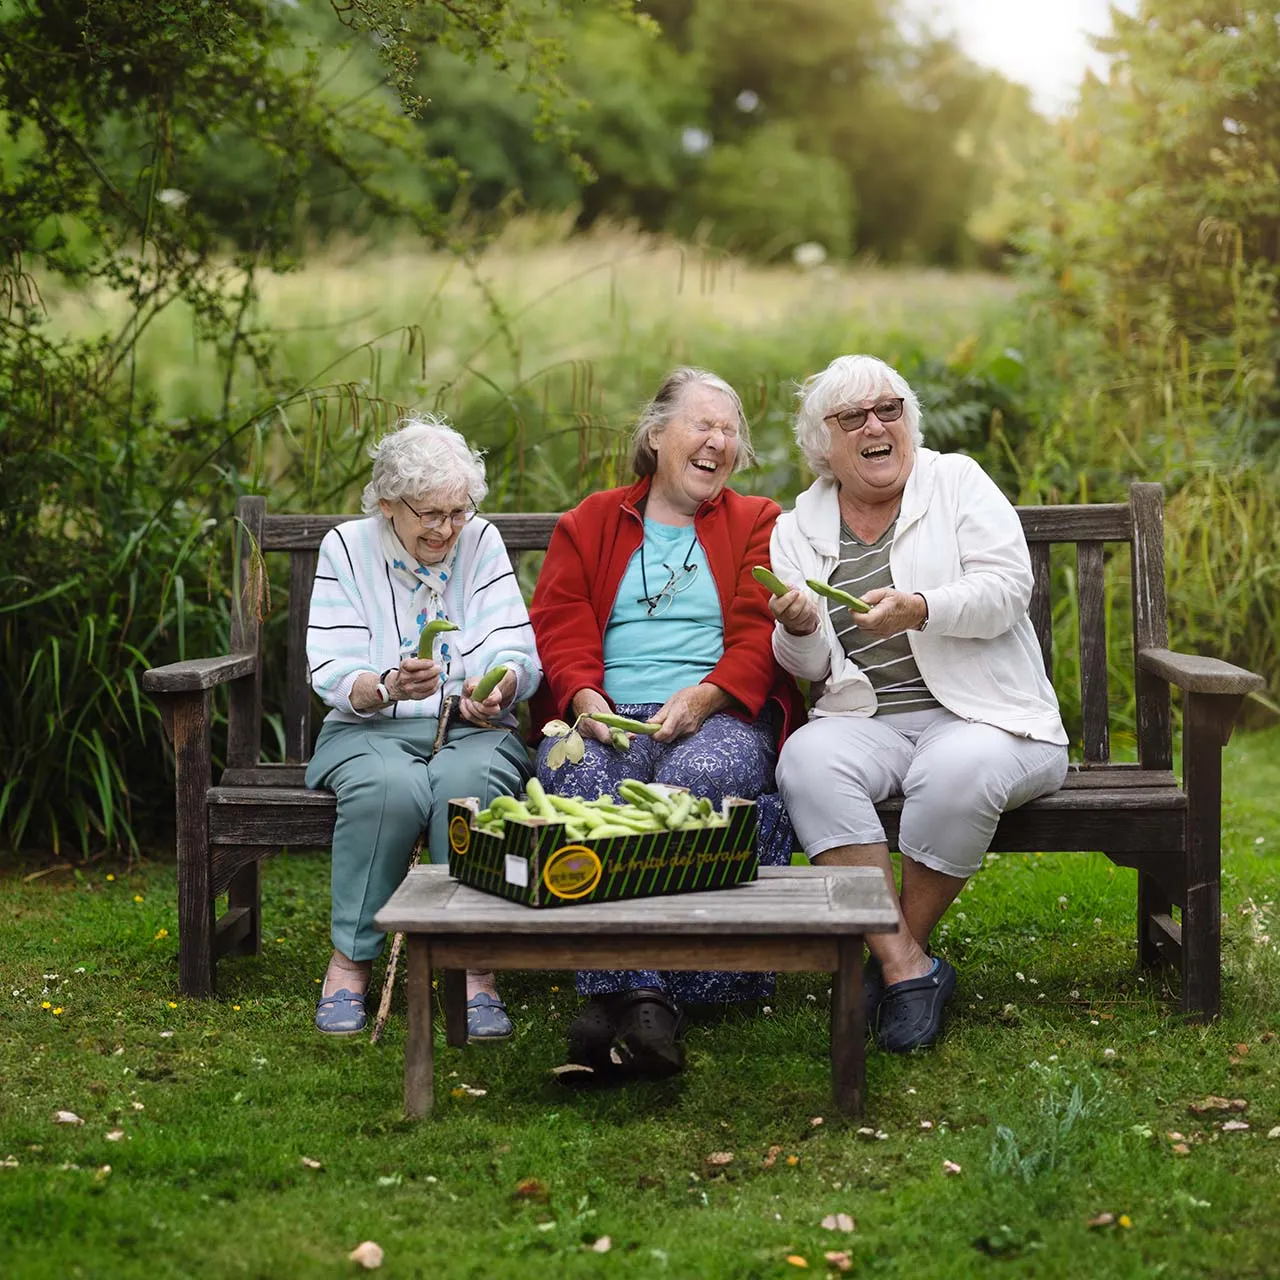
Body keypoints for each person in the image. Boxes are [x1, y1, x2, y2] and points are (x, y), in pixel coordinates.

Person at [769, 354, 1069, 1053]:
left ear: (909, 420)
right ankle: (909, 966)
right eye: (853, 417)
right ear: (824, 444)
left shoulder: (956, 481)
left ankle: (890, 960)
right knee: (806, 762)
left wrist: (922, 607)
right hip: (866, 720)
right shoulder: (796, 529)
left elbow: (1007, 589)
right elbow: (808, 668)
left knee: (957, 769)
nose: (876, 426)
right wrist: (800, 629)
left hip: (988, 717)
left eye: (889, 409)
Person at [528, 366, 805, 1081]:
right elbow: (558, 621)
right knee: (578, 783)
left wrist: (708, 695)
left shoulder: (757, 522)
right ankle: (649, 1000)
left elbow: (759, 633)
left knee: (690, 783)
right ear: (655, 437)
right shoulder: (589, 522)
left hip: (720, 714)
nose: (719, 441)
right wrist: (584, 699)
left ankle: (615, 998)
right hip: (606, 715)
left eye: (729, 430)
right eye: (702, 424)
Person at [304, 415, 540, 1038]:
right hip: (369, 730)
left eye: (457, 511)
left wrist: (498, 688)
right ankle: (351, 962)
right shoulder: (346, 547)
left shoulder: (480, 540)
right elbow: (332, 669)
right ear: (388, 504)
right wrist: (387, 685)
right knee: (389, 789)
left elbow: (513, 647)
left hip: (471, 728)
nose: (447, 528)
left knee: (471, 785)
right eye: (430, 514)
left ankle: (475, 969)